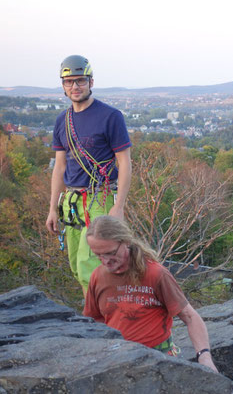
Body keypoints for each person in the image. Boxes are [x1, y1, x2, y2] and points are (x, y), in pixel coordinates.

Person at [83, 215, 219, 372]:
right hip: (116, 360)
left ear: (126, 241)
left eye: (111, 252)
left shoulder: (156, 274)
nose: (106, 261)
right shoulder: (98, 276)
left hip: (158, 359)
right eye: (98, 255)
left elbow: (189, 316)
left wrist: (204, 357)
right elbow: (93, 322)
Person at [45, 55, 132, 297]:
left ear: (91, 82)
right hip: (72, 202)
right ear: (63, 86)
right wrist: (53, 208)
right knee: (76, 264)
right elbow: (59, 167)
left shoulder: (110, 116)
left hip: (100, 198)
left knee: (91, 263)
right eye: (69, 82)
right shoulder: (62, 120)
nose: (75, 86)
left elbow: (125, 163)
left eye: (80, 81)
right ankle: (96, 316)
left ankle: (98, 322)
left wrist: (119, 206)